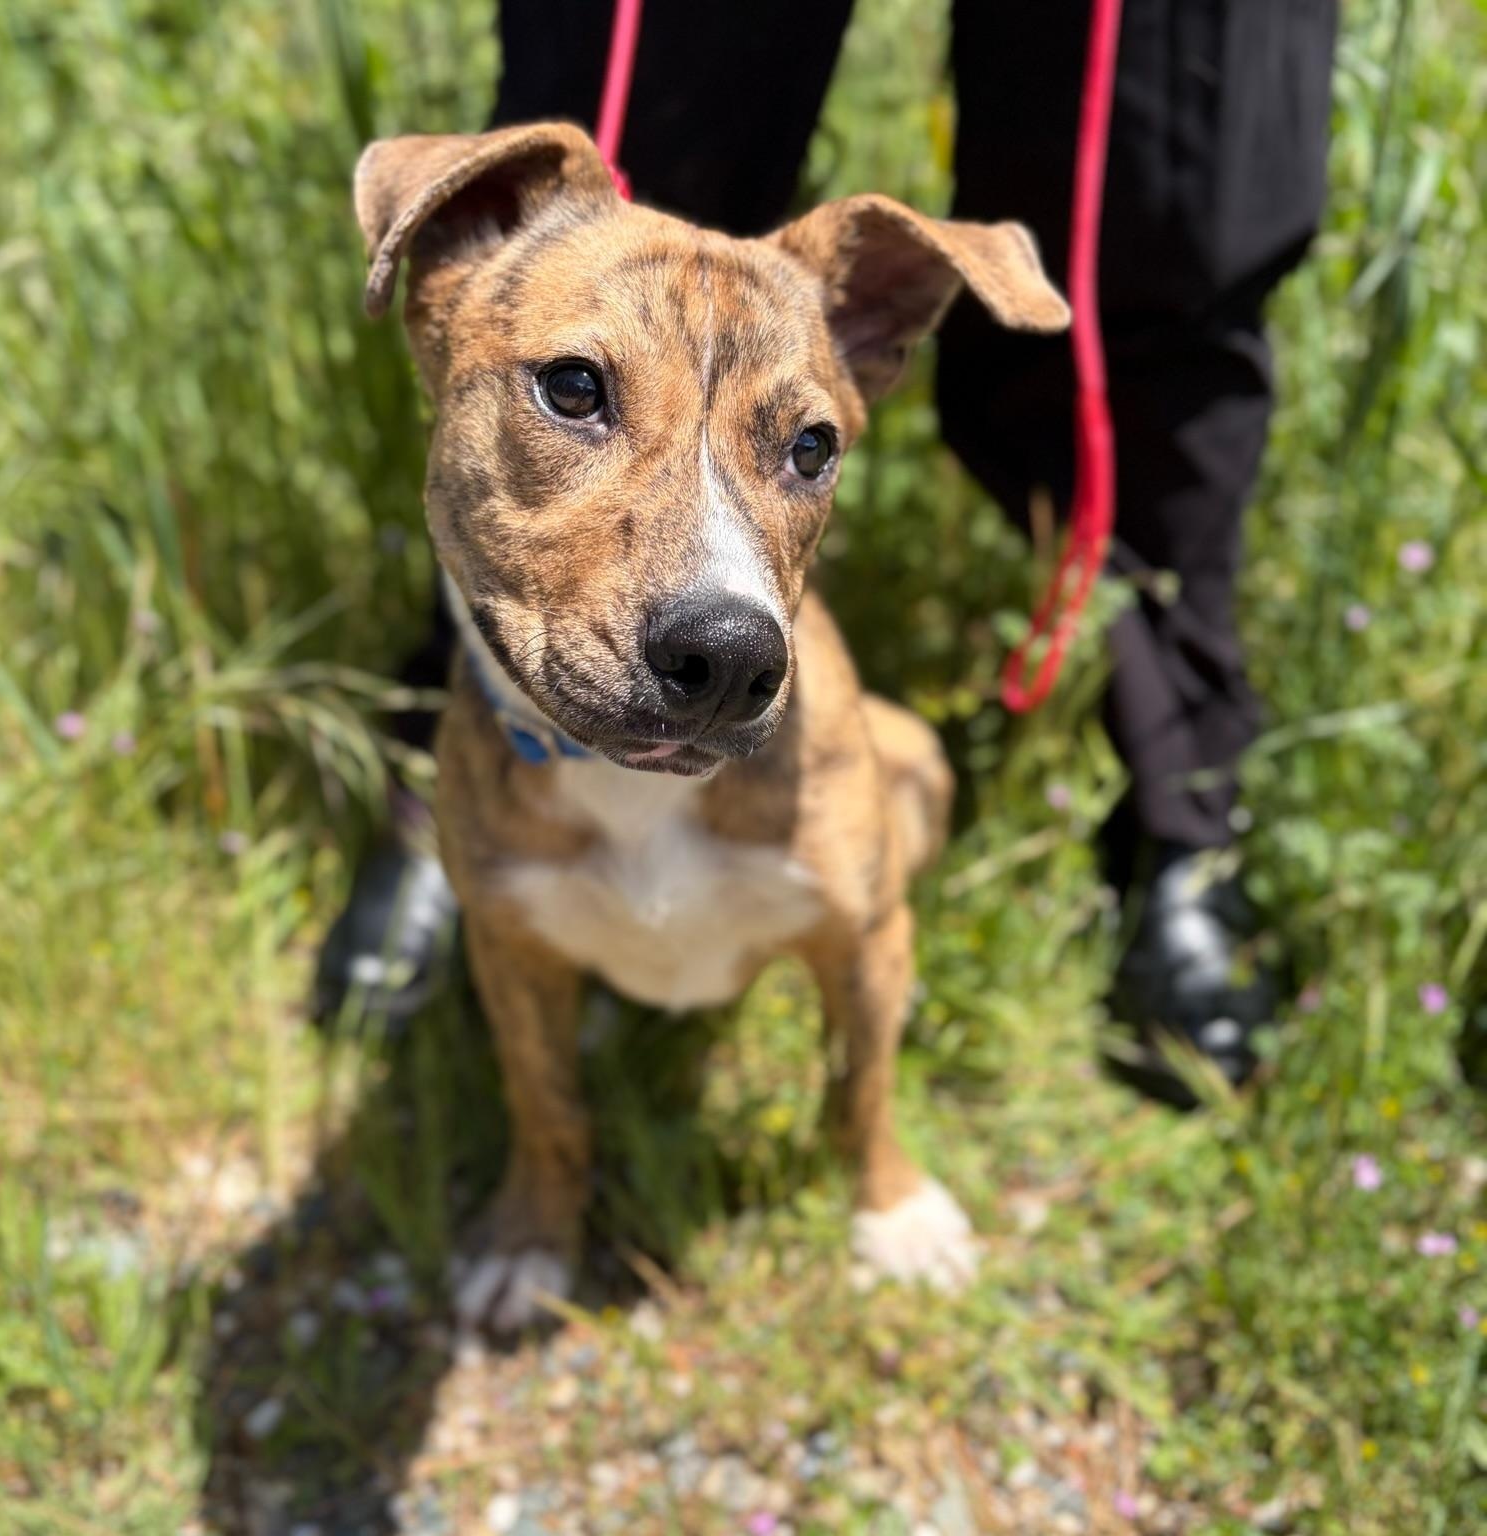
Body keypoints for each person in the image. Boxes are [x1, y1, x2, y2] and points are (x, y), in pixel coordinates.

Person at [317, 0, 1340, 1104]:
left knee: (1153, 212)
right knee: (660, 83)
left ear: (871, 343)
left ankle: (1179, 820)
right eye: (577, 391)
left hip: (803, 794)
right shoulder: (496, 255)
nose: (719, 607)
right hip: (509, 748)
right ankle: (437, 810)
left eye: (804, 448)